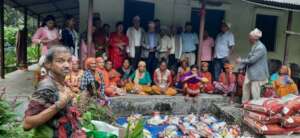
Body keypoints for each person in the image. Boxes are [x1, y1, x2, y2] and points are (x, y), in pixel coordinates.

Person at [23, 46, 85, 137]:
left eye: (69, 61)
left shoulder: (62, 82)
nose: (67, 65)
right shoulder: (46, 87)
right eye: (60, 61)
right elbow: (27, 124)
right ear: (48, 64)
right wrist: (58, 105)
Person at [236, 28, 269, 103]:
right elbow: (249, 58)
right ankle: (245, 104)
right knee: (246, 87)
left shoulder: (260, 47)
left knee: (255, 91)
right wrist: (242, 66)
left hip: (257, 73)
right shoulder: (255, 45)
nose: (248, 39)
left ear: (254, 38)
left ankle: (255, 106)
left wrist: (240, 61)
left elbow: (252, 60)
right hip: (251, 71)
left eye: (249, 37)